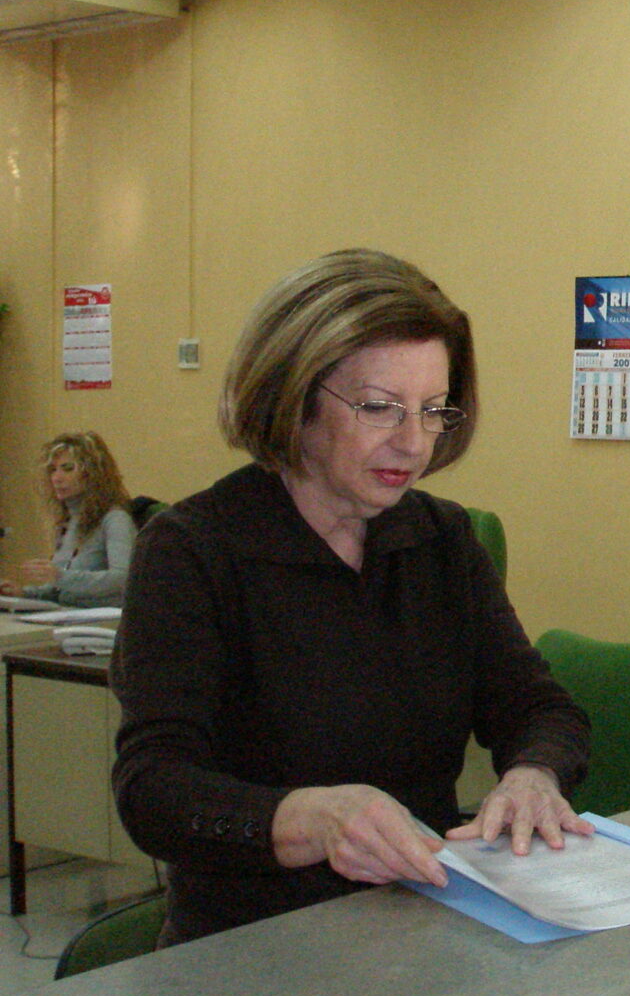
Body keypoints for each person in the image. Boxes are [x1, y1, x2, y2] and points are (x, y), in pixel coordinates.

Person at [112, 249, 593, 946]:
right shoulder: (193, 550)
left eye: (432, 411)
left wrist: (534, 775)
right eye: (378, 408)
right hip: (251, 948)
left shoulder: (443, 540)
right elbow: (152, 790)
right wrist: (310, 820)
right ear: (294, 398)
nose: (413, 442)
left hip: (424, 931)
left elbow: (538, 707)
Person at [1, 431, 136, 607]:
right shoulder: (67, 522)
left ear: (92, 473)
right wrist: (22, 593)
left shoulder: (115, 520)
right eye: (53, 470)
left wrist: (59, 576)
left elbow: (122, 579)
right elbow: (61, 591)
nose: (56, 478)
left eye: (68, 469)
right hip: (68, 613)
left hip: (102, 617)